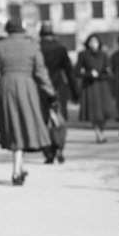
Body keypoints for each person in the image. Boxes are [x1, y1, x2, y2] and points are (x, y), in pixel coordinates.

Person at [0, 17, 55, 184]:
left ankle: (19, 168)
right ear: (22, 30)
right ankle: (17, 171)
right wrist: (50, 92)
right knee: (25, 126)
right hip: (27, 87)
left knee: (13, 125)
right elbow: (41, 72)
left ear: (8, 29)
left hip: (6, 87)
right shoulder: (32, 45)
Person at [37, 21, 76, 164]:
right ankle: (59, 147)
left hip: (39, 89)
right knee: (59, 120)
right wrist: (75, 92)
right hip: (58, 87)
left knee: (43, 121)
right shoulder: (61, 49)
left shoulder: (36, 48)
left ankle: (48, 152)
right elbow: (69, 71)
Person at [75, 33, 114, 143]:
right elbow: (77, 71)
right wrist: (89, 74)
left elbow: (109, 71)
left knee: (105, 111)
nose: (93, 44)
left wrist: (101, 74)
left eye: (95, 41)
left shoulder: (104, 55)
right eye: (91, 41)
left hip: (102, 85)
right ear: (88, 43)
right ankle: (98, 133)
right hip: (90, 86)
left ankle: (102, 131)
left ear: (99, 43)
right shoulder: (83, 55)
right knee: (94, 113)